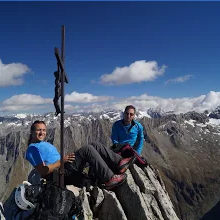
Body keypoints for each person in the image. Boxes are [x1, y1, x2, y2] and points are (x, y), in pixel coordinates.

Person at [25, 120, 136, 190]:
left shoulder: (42, 144)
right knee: (87, 149)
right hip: (59, 173)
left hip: (65, 166)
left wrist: (64, 161)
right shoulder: (32, 149)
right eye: (39, 130)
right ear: (32, 132)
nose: (42, 133)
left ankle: (119, 162)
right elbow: (43, 171)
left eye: (44, 130)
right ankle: (110, 178)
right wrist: (62, 161)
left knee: (94, 145)